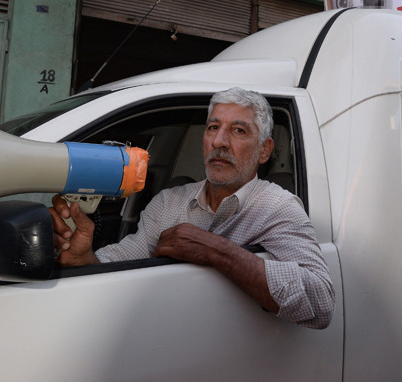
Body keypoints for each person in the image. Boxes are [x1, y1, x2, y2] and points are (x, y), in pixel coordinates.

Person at [49, 87, 335, 329]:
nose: (219, 142)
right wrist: (84, 260)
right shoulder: (169, 202)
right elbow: (125, 261)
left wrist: (214, 249)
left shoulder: (278, 207)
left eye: (238, 130)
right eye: (213, 127)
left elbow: (320, 302)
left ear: (264, 150)